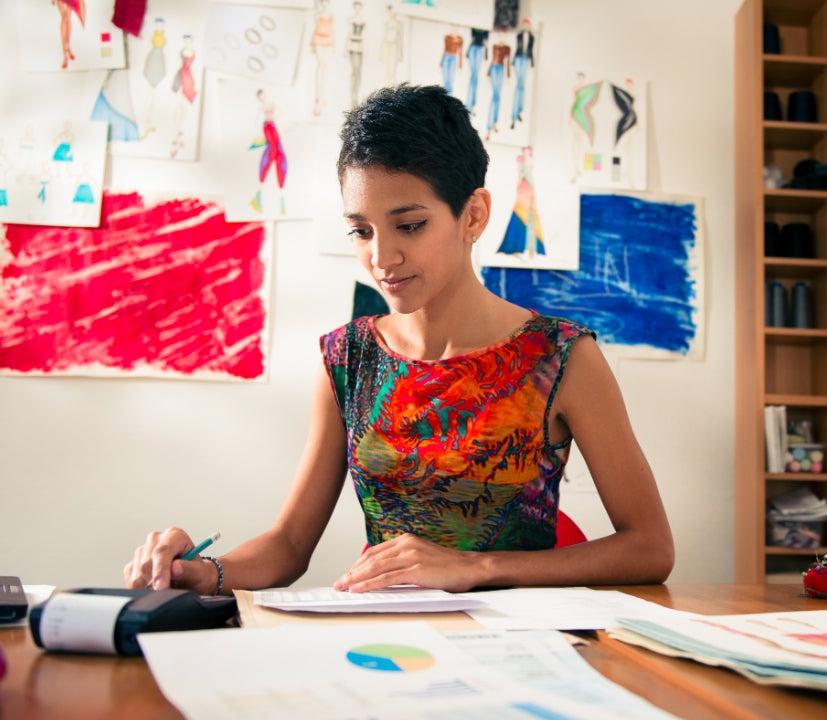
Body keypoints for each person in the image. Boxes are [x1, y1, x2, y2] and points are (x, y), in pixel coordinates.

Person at [124, 84, 674, 596]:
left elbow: (650, 548)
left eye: (409, 225)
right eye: (362, 231)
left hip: (521, 644)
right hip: (387, 634)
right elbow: (289, 546)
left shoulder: (562, 357)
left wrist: (476, 567)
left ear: (473, 215)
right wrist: (197, 571)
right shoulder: (346, 359)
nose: (381, 259)